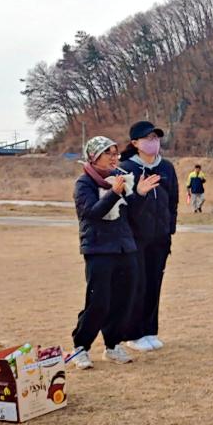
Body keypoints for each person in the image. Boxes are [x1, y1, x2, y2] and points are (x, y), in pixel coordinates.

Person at [71, 137, 155, 367]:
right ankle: (81, 346)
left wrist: (139, 194)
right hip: (98, 249)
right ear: (94, 156)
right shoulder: (84, 184)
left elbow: (132, 215)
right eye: (108, 153)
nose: (114, 157)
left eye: (116, 153)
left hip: (124, 247)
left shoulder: (121, 180)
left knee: (124, 299)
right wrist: (114, 193)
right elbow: (92, 213)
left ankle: (113, 344)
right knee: (99, 301)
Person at [119, 120, 178, 353]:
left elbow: (172, 201)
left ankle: (150, 330)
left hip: (160, 238)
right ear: (135, 143)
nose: (153, 142)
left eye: (156, 138)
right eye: (148, 138)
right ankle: (133, 334)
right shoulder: (126, 169)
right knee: (137, 285)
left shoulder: (167, 168)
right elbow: (122, 205)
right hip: (135, 238)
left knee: (155, 283)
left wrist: (169, 229)